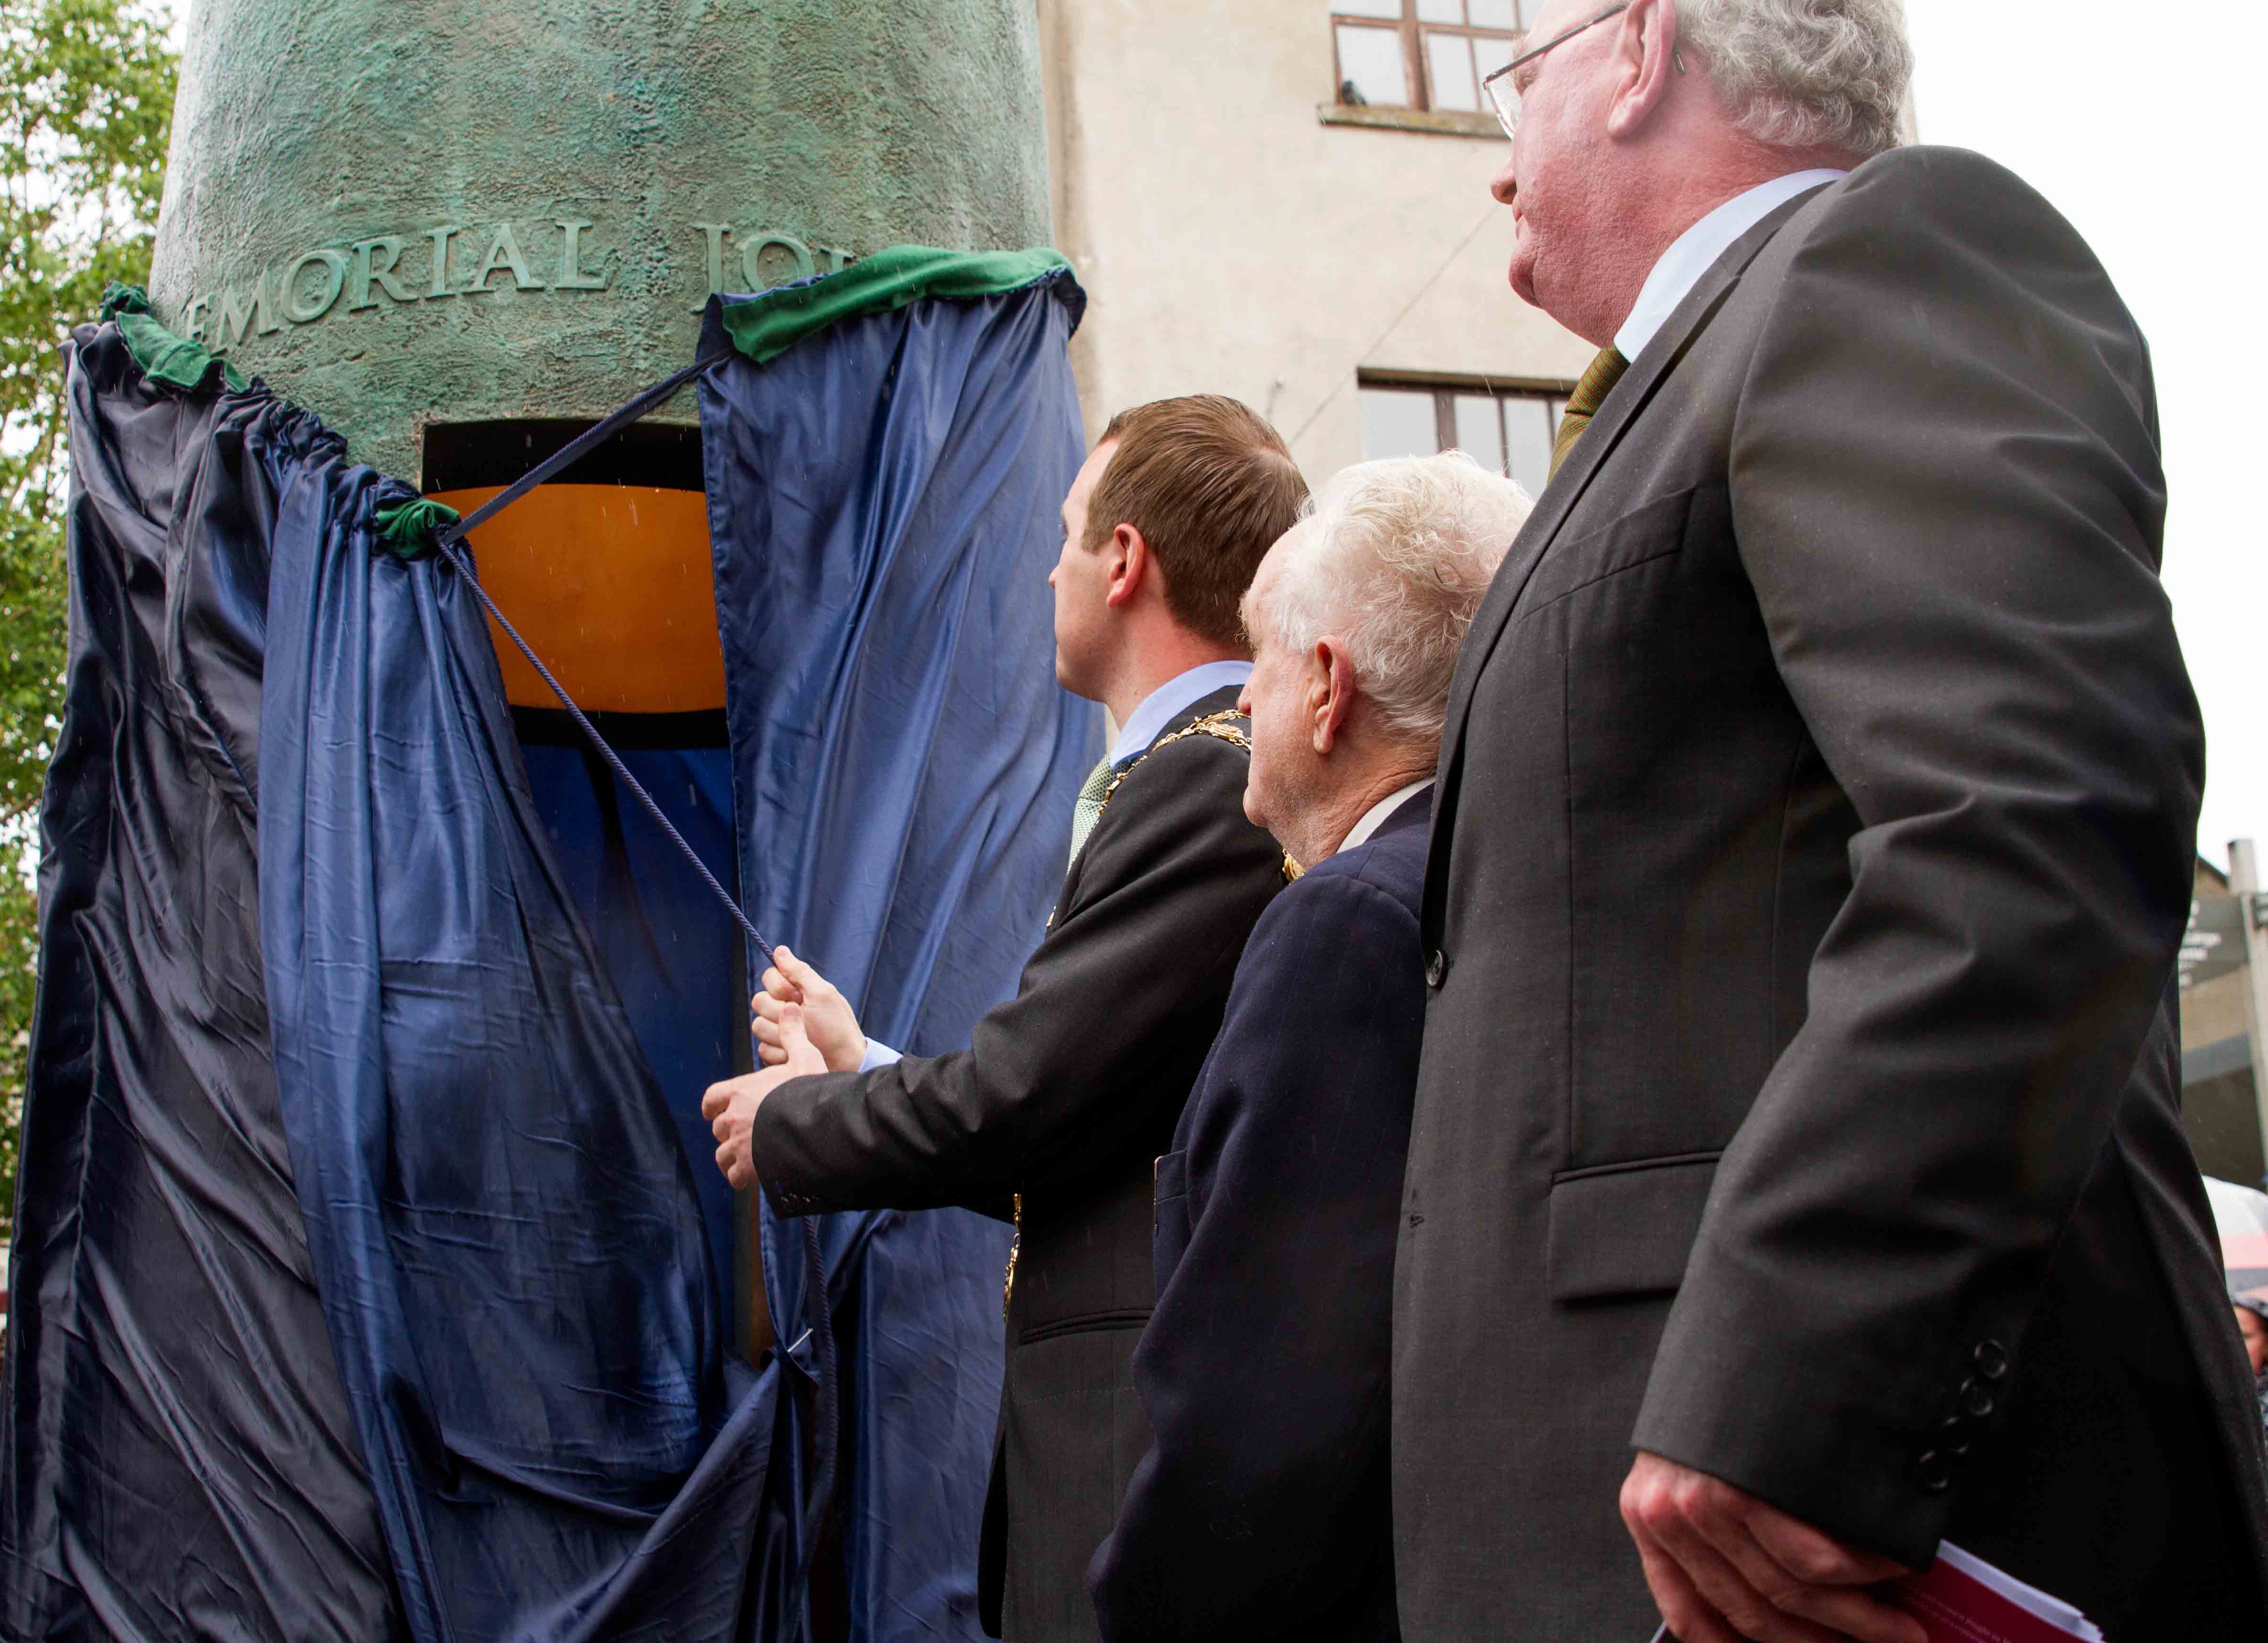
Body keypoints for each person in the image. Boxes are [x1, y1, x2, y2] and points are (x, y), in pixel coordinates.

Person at [1392, 2, 2268, 1640]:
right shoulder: (1671, 389)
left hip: (1815, 1526)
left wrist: (1795, 1365)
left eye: (1517, 76)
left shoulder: (1882, 253)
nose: (1492, 172)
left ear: (1641, 46)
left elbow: (2026, 815)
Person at [702, 395, 1301, 1643]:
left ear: (1126, 562)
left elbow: (1026, 1099)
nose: (1047, 567)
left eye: (1069, 533)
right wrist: (858, 1059)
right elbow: (1090, 1122)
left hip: (1141, 1443)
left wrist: (802, 1118)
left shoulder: (1204, 777)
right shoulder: (1209, 769)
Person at [1088, 452, 1528, 1642]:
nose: (1238, 710)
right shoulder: (1518, 886)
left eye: (1260, 664)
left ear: (1326, 690)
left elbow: (1269, 1392)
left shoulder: (1343, 922)